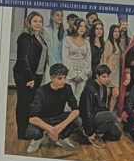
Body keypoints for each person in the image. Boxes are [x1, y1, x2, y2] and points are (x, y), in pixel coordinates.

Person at [26, 64, 82, 152]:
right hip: (44, 120)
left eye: (64, 78)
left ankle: (62, 137)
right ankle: (38, 139)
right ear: (51, 78)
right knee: (32, 132)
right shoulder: (41, 91)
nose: (63, 81)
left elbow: (76, 110)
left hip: (59, 118)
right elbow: (32, 118)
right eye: (60, 78)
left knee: (78, 120)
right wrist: (51, 129)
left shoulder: (67, 88)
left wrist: (61, 126)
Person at [13, 11, 48, 140]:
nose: (38, 24)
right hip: (26, 75)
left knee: (31, 103)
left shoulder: (39, 36)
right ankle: (22, 133)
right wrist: (29, 78)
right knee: (24, 103)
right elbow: (23, 59)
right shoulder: (24, 37)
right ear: (29, 22)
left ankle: (29, 130)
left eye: (40, 21)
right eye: (35, 21)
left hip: (37, 75)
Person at [79, 64, 122, 147]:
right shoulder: (89, 89)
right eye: (104, 77)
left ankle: (98, 133)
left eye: (108, 76)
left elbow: (102, 106)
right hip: (91, 117)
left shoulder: (104, 87)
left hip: (99, 115)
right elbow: (86, 112)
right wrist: (89, 132)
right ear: (97, 76)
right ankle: (93, 135)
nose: (107, 79)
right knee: (113, 115)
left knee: (117, 134)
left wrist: (109, 119)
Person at [62, 18, 93, 103]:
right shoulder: (67, 39)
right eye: (80, 26)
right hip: (70, 72)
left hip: (82, 73)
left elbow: (88, 58)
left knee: (78, 98)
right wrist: (72, 74)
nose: (82, 28)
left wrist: (83, 73)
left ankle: (76, 111)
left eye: (84, 27)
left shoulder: (86, 42)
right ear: (75, 27)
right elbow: (65, 57)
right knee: (68, 98)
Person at [101, 24, 124, 110]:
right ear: (111, 32)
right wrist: (104, 73)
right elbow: (104, 58)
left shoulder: (118, 43)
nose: (117, 33)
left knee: (115, 94)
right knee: (106, 94)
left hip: (116, 72)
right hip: (109, 71)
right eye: (115, 31)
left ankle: (110, 112)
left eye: (118, 31)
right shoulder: (108, 43)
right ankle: (104, 111)